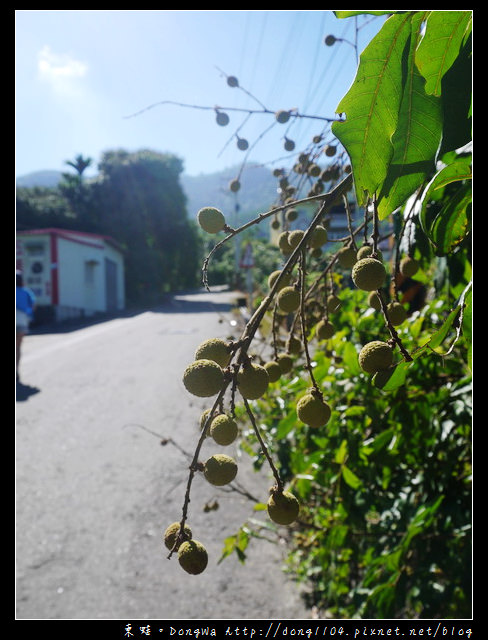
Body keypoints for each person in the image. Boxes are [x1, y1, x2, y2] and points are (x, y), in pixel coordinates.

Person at [16, 271, 35, 382]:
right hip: (22, 321)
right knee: (17, 347)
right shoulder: (26, 292)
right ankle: (16, 369)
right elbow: (33, 305)